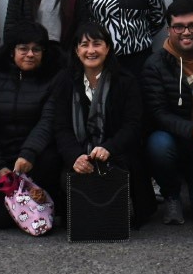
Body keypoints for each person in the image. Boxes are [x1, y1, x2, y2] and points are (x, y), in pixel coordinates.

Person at [52, 21, 154, 229]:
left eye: (97, 44)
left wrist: (109, 148)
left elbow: (133, 125)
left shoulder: (125, 81)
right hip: (79, 153)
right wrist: (75, 156)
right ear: (76, 50)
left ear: (107, 48)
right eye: (84, 45)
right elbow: (60, 127)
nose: (91, 51)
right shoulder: (64, 80)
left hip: (118, 153)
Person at [143, 0, 193, 225]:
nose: (186, 32)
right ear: (169, 30)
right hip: (177, 141)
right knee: (157, 144)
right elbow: (158, 113)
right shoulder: (155, 65)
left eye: (192, 25)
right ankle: (171, 195)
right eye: (178, 27)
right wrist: (191, 130)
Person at [0, 21, 63, 231]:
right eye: (23, 48)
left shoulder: (55, 77)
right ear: (11, 51)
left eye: (37, 49)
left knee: (51, 160)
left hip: (36, 157)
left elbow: (49, 119)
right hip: (0, 157)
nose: (30, 54)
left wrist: (29, 154)